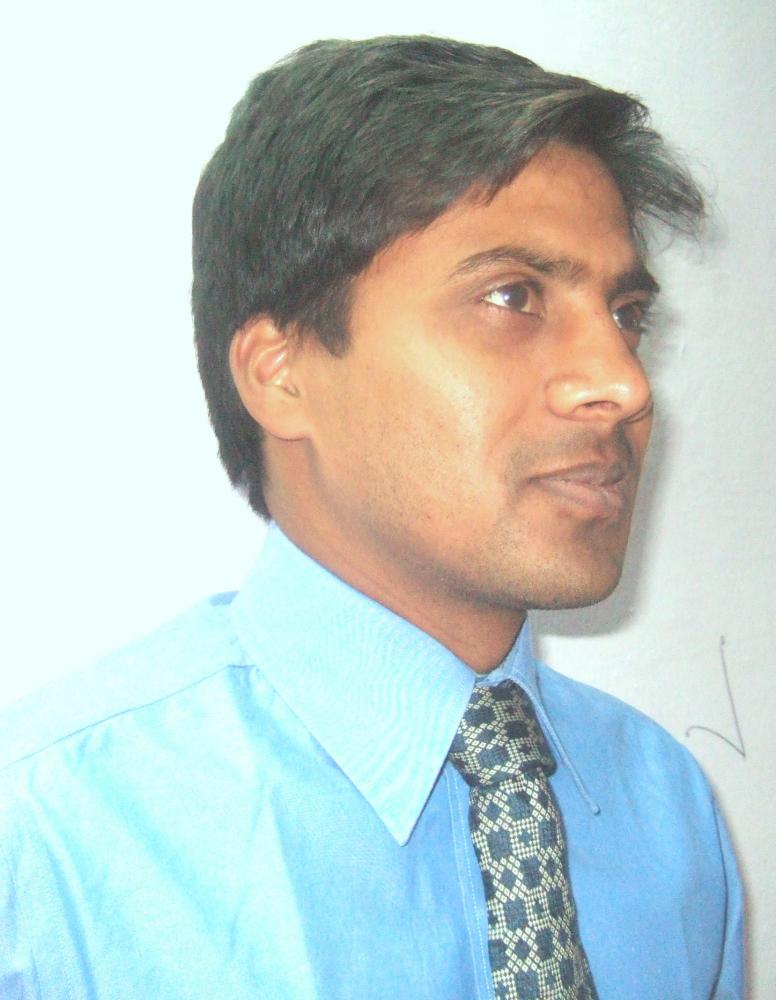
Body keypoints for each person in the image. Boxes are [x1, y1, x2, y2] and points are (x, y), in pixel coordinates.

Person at [0, 36, 743, 1000]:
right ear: (282, 373)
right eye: (512, 297)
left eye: (626, 314)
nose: (623, 384)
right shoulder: (47, 838)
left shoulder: (667, 809)